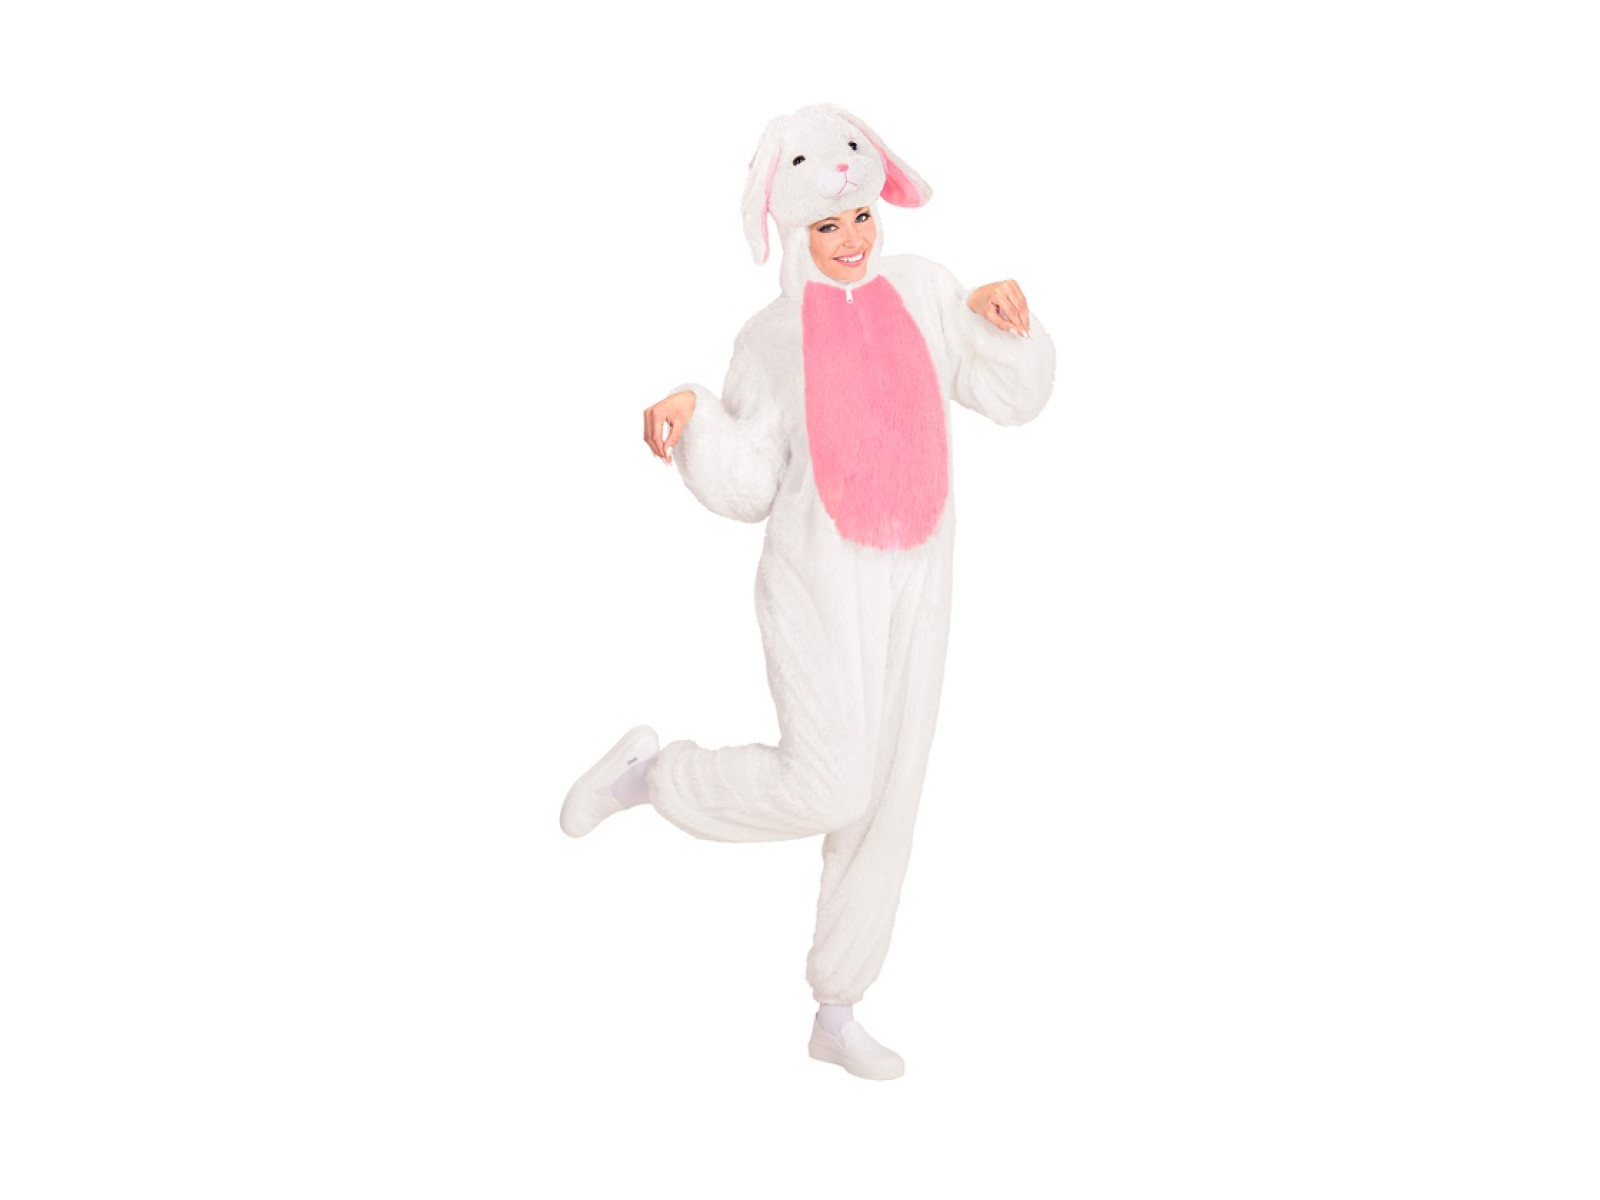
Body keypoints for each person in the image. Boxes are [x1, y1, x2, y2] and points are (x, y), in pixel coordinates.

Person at [562, 104, 1055, 1080]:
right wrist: (695, 414)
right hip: (817, 583)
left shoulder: (924, 291)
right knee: (832, 785)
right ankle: (656, 778)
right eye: (827, 225)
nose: (850, 238)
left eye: (861, 216)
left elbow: (1014, 395)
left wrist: (1010, 324)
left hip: (918, 579)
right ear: (789, 230)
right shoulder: (769, 340)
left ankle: (838, 1006)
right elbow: (747, 484)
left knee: (889, 798)